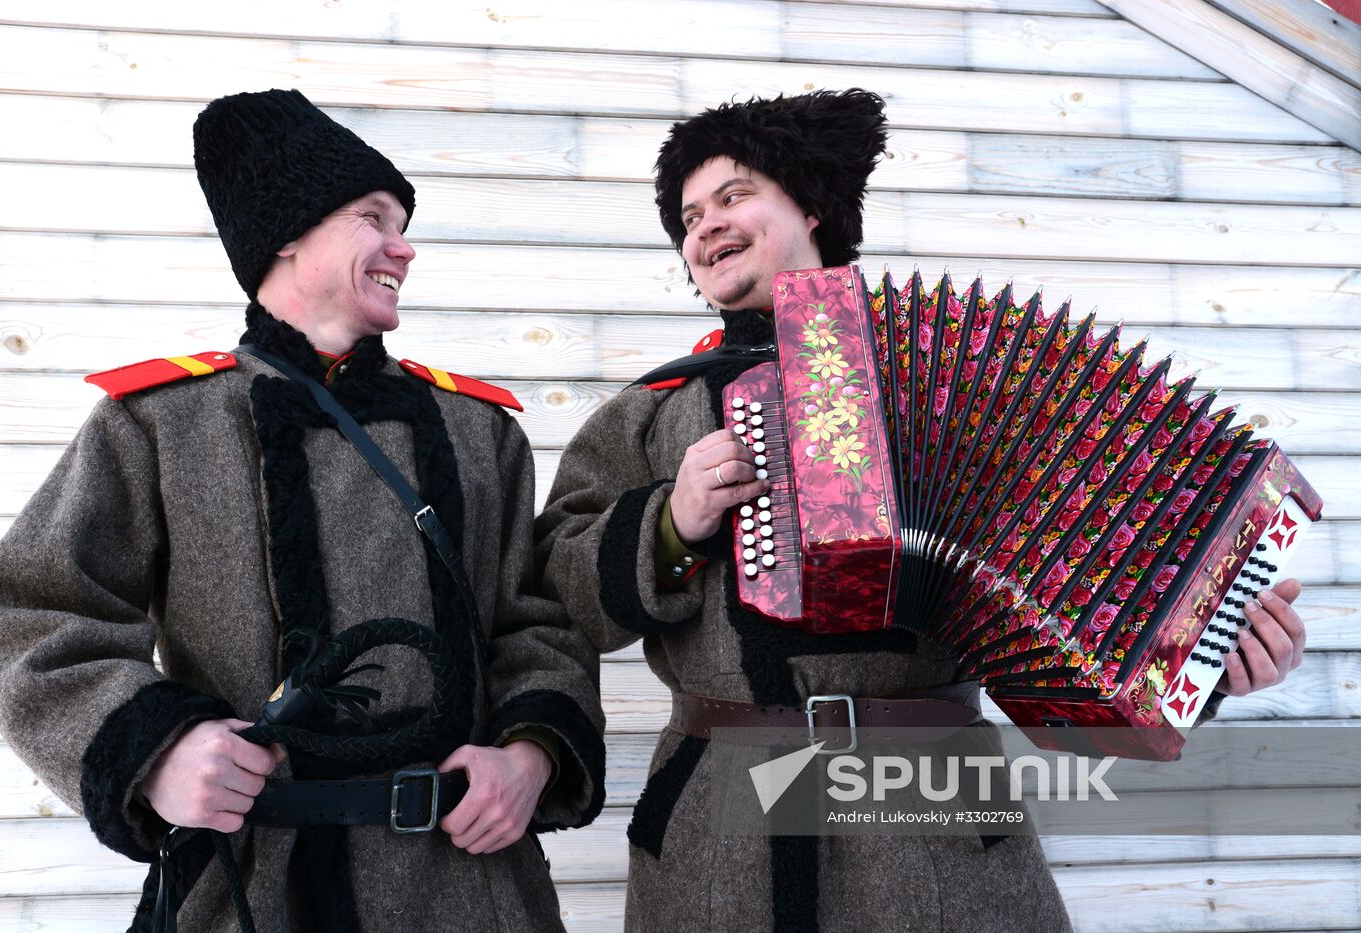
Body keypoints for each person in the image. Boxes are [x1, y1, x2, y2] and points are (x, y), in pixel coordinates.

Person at [535, 88, 1308, 931]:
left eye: (733, 195)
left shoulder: (966, 376)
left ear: (815, 206)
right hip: (722, 810)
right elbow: (559, 589)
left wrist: (1206, 652)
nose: (706, 225)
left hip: (934, 813)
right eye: (687, 218)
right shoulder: (652, 410)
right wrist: (668, 524)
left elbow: (1091, 566)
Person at [0, 88, 604, 932]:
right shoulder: (161, 421)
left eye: (402, 223)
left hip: (468, 887)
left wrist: (531, 753)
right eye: (374, 218)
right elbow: (27, 612)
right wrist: (156, 749)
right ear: (288, 234)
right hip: (250, 887)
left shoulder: (480, 431)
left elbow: (535, 623)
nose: (403, 246)